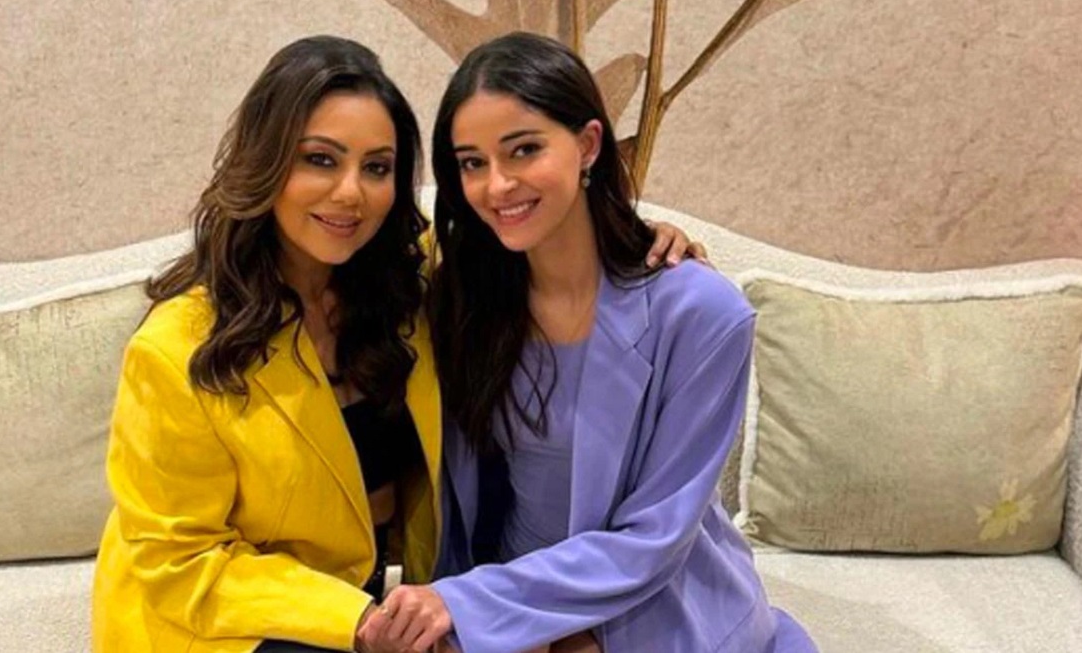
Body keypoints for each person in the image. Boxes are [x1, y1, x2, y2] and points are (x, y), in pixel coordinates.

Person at [91, 35, 696, 653]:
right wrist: (358, 620)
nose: (351, 192)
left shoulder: (411, 282)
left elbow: (536, 237)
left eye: (377, 167)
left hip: (373, 608)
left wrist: (638, 244)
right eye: (320, 160)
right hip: (220, 627)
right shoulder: (174, 351)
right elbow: (179, 562)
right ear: (266, 163)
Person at [367, 32, 817, 653]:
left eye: (524, 150)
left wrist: (469, 603)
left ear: (587, 145)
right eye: (472, 163)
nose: (497, 186)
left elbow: (654, 539)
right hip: (509, 598)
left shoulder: (701, 314)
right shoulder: (462, 299)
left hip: (654, 603)